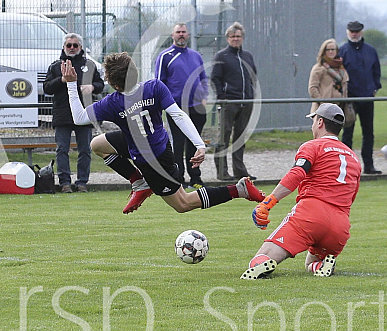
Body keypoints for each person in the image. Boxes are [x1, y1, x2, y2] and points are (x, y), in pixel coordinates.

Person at [63, 52, 265, 214]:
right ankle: (139, 182)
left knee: (183, 203)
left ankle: (238, 190)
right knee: (97, 145)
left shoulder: (112, 102)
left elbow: (79, 118)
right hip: (151, 144)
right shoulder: (154, 87)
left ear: (115, 85)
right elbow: (178, 115)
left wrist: (71, 83)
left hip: (154, 161)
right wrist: (199, 144)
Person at [241, 103, 361, 279]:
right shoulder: (353, 157)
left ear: (320, 122)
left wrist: (268, 202)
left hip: (311, 213)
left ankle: (263, 265)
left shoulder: (313, 146)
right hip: (340, 224)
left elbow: (297, 173)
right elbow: (352, 195)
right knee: (311, 263)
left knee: (261, 259)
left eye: (313, 120)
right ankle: (322, 264)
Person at [43, 33, 104, 193]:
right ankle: (64, 183)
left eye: (75, 45)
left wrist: (92, 87)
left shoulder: (89, 65)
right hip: (62, 114)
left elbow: (101, 84)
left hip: (84, 113)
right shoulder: (56, 66)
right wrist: (62, 80)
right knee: (62, 149)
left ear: (81, 48)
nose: (71, 48)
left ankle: (82, 182)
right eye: (68, 45)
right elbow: (46, 88)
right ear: (63, 47)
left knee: (85, 149)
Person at [154, 23, 209, 189]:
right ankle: (178, 179)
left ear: (188, 34)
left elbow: (203, 78)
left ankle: (196, 179)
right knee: (178, 144)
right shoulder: (165, 56)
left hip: (197, 107)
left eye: (184, 32)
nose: (181, 35)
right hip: (177, 109)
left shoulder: (195, 56)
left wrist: (204, 98)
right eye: (178, 32)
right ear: (173, 35)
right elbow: (158, 83)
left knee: (196, 144)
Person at [210, 22, 258, 181]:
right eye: (233, 36)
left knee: (240, 138)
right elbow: (215, 78)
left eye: (238, 36)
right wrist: (221, 97)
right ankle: (222, 172)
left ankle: (240, 170)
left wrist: (251, 94)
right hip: (228, 103)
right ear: (228, 38)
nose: (235, 39)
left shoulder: (248, 56)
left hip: (246, 102)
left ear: (242, 38)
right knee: (223, 137)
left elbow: (253, 76)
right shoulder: (221, 56)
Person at [339, 21, 382, 175]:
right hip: (349, 98)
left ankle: (369, 165)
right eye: (352, 31)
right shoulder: (342, 51)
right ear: (347, 32)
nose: (354, 34)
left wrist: (375, 87)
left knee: (368, 132)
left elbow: (376, 71)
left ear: (362, 32)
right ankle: (347, 167)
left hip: (367, 97)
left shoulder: (370, 51)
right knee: (347, 133)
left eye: (357, 31)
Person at [308, 38, 350, 117]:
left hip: (339, 108)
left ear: (336, 50)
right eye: (328, 49)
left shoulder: (341, 68)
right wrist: (323, 103)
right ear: (324, 51)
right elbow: (312, 88)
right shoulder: (319, 68)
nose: (330, 52)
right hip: (322, 109)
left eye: (333, 49)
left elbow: (345, 86)